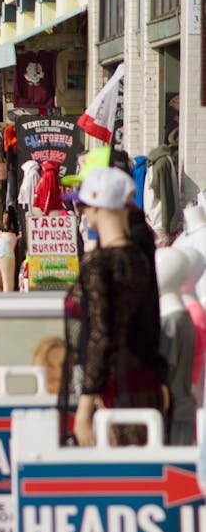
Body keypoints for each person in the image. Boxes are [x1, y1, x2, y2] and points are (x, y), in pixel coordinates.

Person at [60, 167, 168, 446]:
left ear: (95, 207)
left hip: (111, 392)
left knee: (113, 480)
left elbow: (99, 335)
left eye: (83, 205)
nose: (81, 211)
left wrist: (84, 410)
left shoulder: (99, 265)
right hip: (145, 384)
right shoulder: (139, 257)